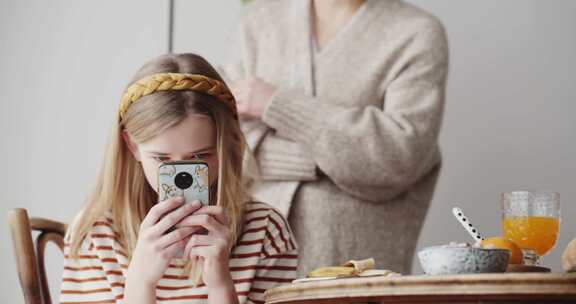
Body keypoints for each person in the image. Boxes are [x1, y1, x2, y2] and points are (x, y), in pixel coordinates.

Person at [221, 0, 448, 275]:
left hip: (358, 271)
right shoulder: (257, 22)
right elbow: (222, 145)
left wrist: (276, 104)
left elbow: (398, 156)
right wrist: (334, 158)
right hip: (251, 266)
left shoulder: (416, 32)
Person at [60, 53, 297, 304]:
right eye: (162, 159)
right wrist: (141, 283)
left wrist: (220, 287)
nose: (182, 175)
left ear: (227, 145)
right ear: (132, 147)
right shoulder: (96, 233)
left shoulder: (266, 233)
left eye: (199, 156)